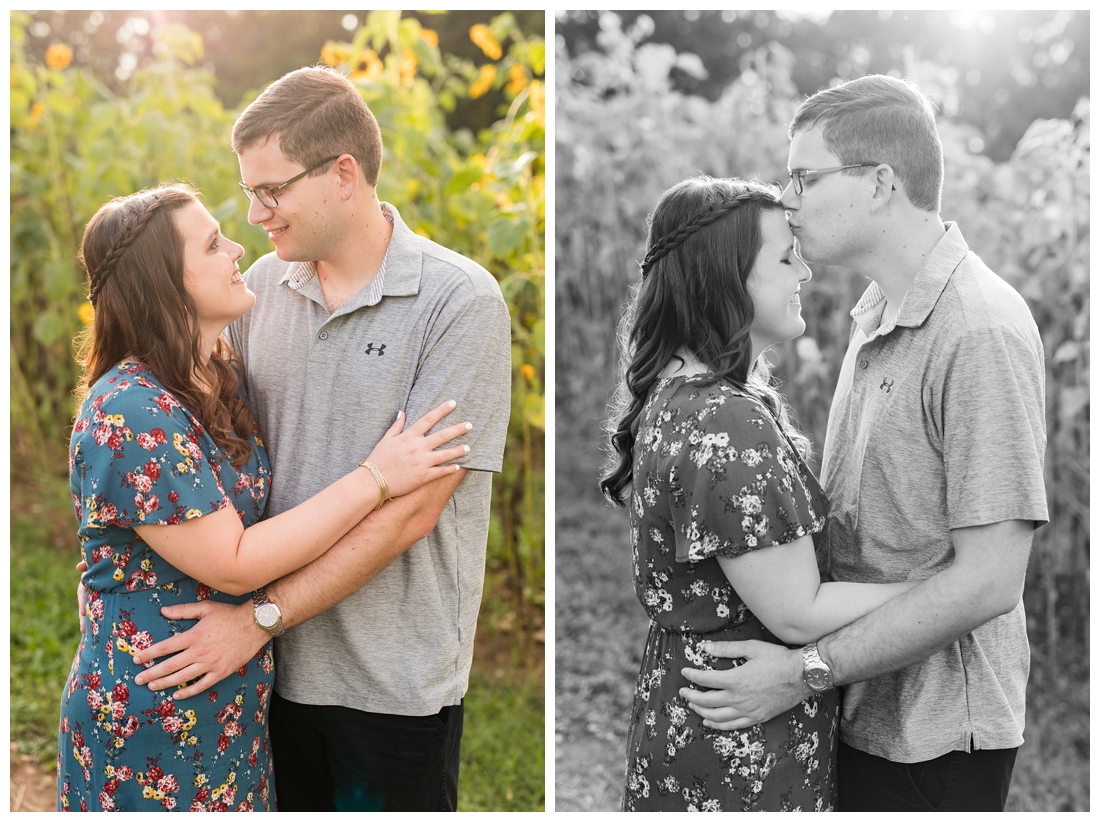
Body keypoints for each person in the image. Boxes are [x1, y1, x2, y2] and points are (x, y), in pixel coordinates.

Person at [112, 67, 513, 812]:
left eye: (273, 190)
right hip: (261, 673)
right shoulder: (259, 287)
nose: (258, 213)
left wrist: (259, 618)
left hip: (387, 682)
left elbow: (413, 511)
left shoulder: (459, 302)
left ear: (344, 175)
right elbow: (183, 438)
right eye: (250, 193)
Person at [680, 75, 1048, 812]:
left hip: (935, 737)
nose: (787, 199)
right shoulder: (878, 310)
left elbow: (991, 580)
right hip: (862, 705)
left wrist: (803, 669)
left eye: (805, 178)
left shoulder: (978, 332)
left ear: (880, 182)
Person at [60, 183, 470, 812]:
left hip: (231, 699)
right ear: (163, 283)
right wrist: (378, 476)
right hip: (159, 703)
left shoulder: (214, 376)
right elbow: (234, 559)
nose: (237, 248)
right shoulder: (129, 410)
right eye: (212, 244)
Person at [599, 175, 936, 812]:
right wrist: (935, 593)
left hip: (692, 715)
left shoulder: (675, 397)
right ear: (726, 279)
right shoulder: (725, 421)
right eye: (785, 257)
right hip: (742, 746)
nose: (804, 271)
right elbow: (797, 611)